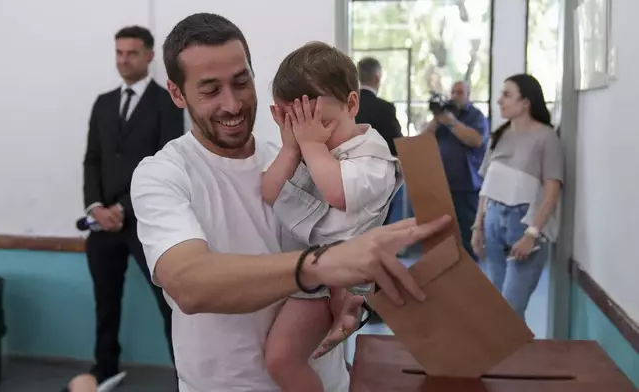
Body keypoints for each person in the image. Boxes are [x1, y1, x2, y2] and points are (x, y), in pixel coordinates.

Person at [130, 13, 451, 392]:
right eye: (210, 90)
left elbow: (348, 239)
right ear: (177, 93)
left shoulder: (297, 157)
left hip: (326, 381)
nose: (232, 104)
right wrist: (321, 267)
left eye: (241, 82)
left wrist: (357, 296)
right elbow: (189, 284)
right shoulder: (163, 174)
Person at [261, 43, 402, 392]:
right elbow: (269, 191)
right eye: (300, 126)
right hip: (309, 270)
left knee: (280, 359)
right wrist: (292, 147)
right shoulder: (309, 147)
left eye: (322, 123)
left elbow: (338, 193)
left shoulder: (372, 156)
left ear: (352, 104)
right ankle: (347, 311)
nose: (315, 134)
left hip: (329, 278)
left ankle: (348, 306)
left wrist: (310, 145)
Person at [73, 25, 184, 391]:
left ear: (150, 56)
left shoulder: (167, 102)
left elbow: (166, 160)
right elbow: (92, 160)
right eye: (119, 53)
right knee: (104, 303)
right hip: (102, 224)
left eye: (132, 53)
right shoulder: (103, 103)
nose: (124, 60)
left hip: (145, 222)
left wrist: (123, 208)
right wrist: (95, 207)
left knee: (168, 303)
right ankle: (105, 368)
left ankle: (186, 373)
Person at [471, 74, 563, 320]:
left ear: (526, 102)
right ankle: (507, 357)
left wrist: (532, 234)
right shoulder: (499, 135)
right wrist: (477, 226)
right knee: (498, 307)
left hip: (523, 224)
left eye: (507, 95)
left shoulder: (546, 137)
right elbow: (486, 187)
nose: (500, 100)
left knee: (510, 310)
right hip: (493, 221)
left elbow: (552, 191)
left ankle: (515, 357)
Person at [421, 80, 488, 261]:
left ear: (468, 95)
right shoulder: (444, 115)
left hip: (467, 187)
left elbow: (476, 140)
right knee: (442, 238)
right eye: (453, 92)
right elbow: (421, 139)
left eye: (460, 92)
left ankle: (470, 277)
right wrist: (437, 120)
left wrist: (452, 123)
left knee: (467, 238)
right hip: (442, 186)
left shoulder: (476, 116)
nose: (455, 96)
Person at [355, 57, 403, 156]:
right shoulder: (385, 108)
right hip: (378, 167)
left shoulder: (348, 106)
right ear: (377, 77)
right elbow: (396, 145)